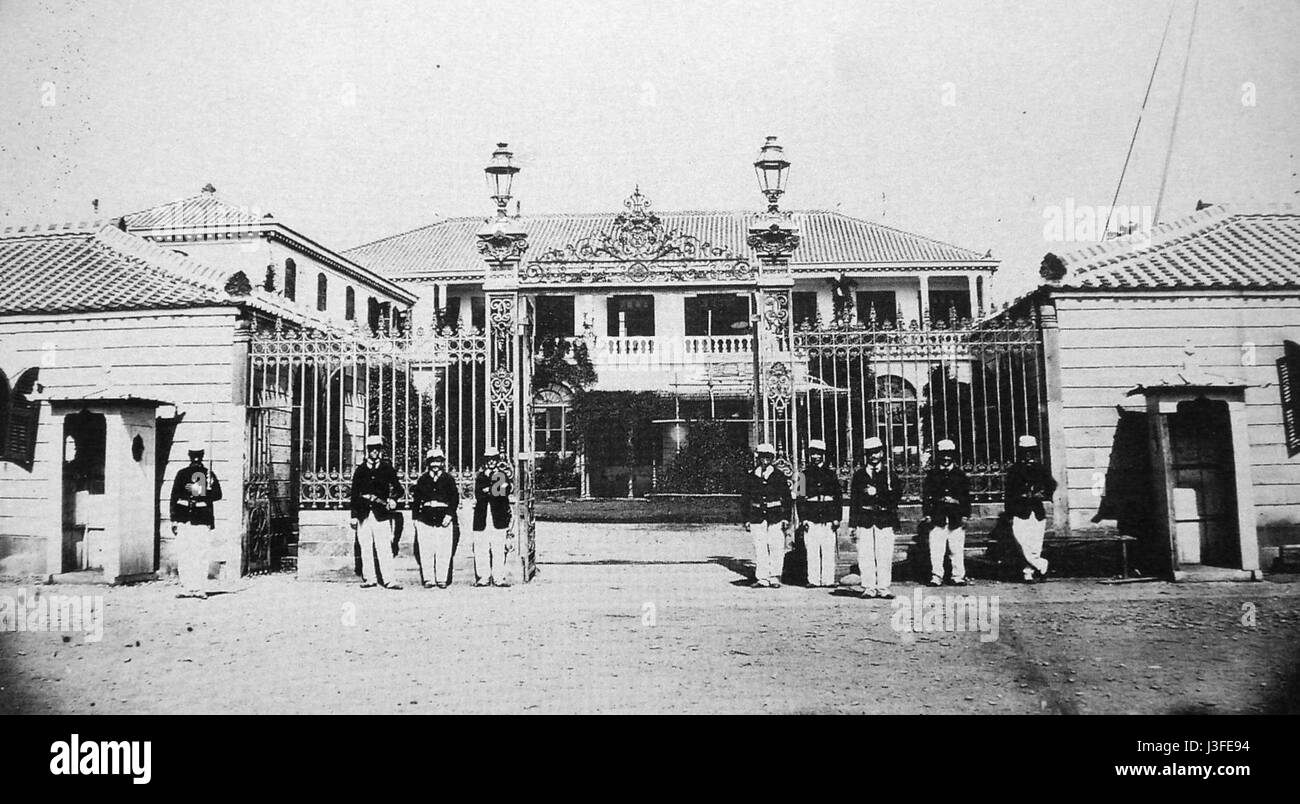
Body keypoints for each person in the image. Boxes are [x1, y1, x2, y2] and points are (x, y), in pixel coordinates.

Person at [349, 434, 404, 589]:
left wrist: (393, 499)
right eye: (372, 449)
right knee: (365, 546)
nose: (374, 452)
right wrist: (353, 516)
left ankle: (389, 579)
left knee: (384, 546)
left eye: (377, 449)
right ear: (367, 450)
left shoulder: (387, 468)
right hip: (363, 513)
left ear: (380, 450)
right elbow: (354, 494)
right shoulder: (360, 470)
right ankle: (370, 578)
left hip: (381, 514)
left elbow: (399, 489)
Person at [849, 437, 898, 599]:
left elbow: (896, 497)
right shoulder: (859, 475)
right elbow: (854, 501)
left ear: (882, 453)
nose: (874, 456)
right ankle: (869, 587)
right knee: (865, 554)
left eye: (877, 452)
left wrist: (881, 492)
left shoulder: (889, 474)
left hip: (884, 519)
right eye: (870, 453)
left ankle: (883, 587)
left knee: (884, 554)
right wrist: (853, 524)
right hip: (865, 519)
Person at [169, 448, 222, 599]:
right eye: (194, 457)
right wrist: (173, 519)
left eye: (198, 457)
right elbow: (174, 497)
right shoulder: (182, 474)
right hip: (184, 518)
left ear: (202, 457)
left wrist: (207, 489)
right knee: (185, 553)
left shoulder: (208, 474)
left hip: (201, 518)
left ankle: (199, 588)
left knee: (201, 554)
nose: (196, 460)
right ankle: (187, 587)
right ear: (189, 457)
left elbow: (218, 495)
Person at [1005, 434, 1058, 583]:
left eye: (1031, 451)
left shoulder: (1040, 469)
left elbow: (1052, 485)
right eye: (1025, 451)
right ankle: (1042, 564)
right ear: (1020, 452)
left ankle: (1028, 572)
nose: (1028, 455)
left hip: (1036, 511)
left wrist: (1043, 494)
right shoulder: (1014, 470)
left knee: (1035, 543)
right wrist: (1010, 512)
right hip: (1020, 511)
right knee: (1021, 541)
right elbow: (1008, 493)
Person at [741, 443, 792, 588]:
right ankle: (762, 577)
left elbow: (786, 499)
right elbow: (745, 499)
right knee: (760, 546)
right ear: (758, 457)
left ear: (772, 458)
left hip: (775, 516)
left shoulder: (778, 475)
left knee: (775, 545)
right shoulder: (751, 476)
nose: (764, 460)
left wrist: (786, 518)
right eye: (762, 457)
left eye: (768, 457)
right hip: (757, 516)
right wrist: (746, 519)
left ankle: (775, 576)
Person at [922, 439, 972, 587]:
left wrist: (965, 515)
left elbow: (966, 497)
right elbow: (926, 496)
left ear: (953, 456)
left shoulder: (960, 475)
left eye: (949, 455)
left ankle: (958, 576)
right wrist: (927, 514)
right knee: (936, 549)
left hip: (955, 516)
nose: (946, 458)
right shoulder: (932, 475)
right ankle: (937, 576)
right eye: (943, 455)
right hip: (938, 516)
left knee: (956, 548)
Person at [796, 439, 842, 588]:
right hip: (811, 516)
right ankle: (813, 580)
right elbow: (800, 498)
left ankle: (828, 580)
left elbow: (838, 497)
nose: (815, 457)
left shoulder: (831, 474)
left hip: (828, 516)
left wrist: (837, 518)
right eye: (813, 454)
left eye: (818, 454)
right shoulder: (803, 475)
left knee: (828, 549)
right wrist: (803, 519)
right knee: (812, 550)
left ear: (823, 455)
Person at [412, 447, 459, 589]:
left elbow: (454, 499)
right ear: (428, 463)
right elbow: (416, 500)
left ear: (442, 463)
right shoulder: (423, 479)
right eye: (432, 461)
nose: (435, 465)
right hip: (425, 519)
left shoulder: (448, 479)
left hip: (444, 518)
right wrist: (415, 518)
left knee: (444, 550)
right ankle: (428, 579)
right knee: (426, 550)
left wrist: (449, 515)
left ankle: (442, 578)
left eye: (438, 461)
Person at [472, 446, 512, 587]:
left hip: (498, 516)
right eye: (488, 459)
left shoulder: (502, 475)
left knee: (498, 548)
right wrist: (493, 490)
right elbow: (480, 495)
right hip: (482, 517)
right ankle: (483, 577)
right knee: (481, 547)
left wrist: (489, 490)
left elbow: (502, 494)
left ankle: (498, 578)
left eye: (493, 459)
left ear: (497, 460)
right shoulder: (481, 476)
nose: (491, 462)